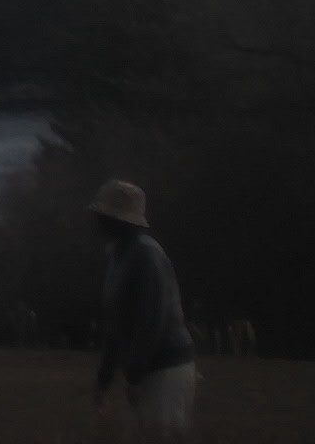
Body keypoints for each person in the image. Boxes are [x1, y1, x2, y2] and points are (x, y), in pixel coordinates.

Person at [90, 180, 196, 439]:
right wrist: (104, 378)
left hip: (165, 369)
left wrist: (134, 375)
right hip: (145, 369)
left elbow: (151, 320)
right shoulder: (119, 256)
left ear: (119, 220)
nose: (97, 221)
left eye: (104, 215)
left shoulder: (146, 255)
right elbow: (116, 323)